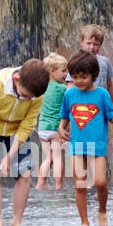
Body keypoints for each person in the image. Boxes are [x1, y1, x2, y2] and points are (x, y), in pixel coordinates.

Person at [0, 59, 50, 226]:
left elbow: (29, 122)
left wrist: (11, 154)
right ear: (16, 80)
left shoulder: (37, 94)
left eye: (31, 98)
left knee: (24, 173)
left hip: (17, 133)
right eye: (25, 95)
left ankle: (17, 223)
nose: (27, 99)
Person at [58, 51, 113, 226]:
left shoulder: (102, 94)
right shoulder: (70, 95)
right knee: (80, 185)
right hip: (77, 145)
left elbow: (111, 113)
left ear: (94, 75)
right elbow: (65, 115)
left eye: (84, 77)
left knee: (100, 182)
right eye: (75, 77)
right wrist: (61, 127)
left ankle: (102, 209)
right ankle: (84, 221)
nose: (79, 81)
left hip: (97, 145)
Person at [34, 53, 70, 190]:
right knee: (57, 158)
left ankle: (40, 183)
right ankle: (58, 185)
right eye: (63, 71)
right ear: (51, 71)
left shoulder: (42, 88)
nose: (66, 74)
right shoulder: (63, 88)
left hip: (42, 128)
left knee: (48, 158)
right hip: (55, 129)